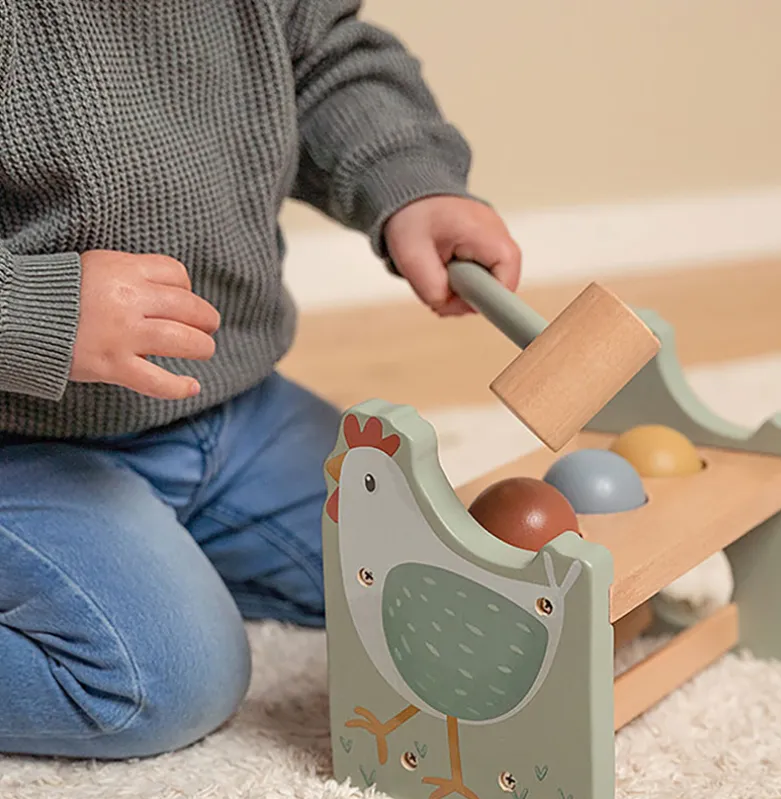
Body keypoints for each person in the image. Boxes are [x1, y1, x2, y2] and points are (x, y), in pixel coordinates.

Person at [0, 1, 521, 760]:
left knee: (437, 568)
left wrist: (410, 181)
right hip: (20, 442)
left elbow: (322, 61)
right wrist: (30, 311)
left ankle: (162, 544)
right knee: (157, 679)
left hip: (231, 406)